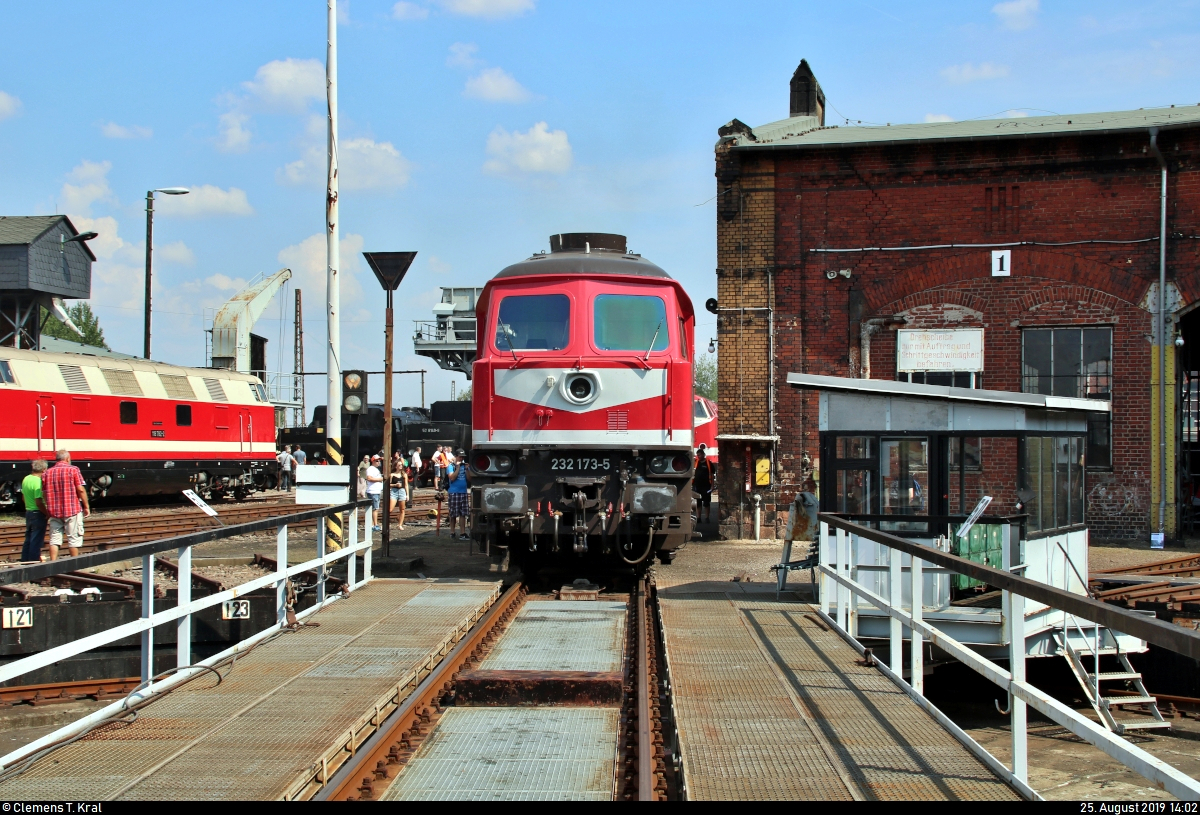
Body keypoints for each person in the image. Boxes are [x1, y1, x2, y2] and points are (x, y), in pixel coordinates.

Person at [42, 449, 89, 561]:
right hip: (72, 509)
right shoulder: (73, 470)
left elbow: (44, 493)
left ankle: (53, 563)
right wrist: (86, 506)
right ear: (67, 459)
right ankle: (74, 564)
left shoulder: (47, 473)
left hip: (54, 511)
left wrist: (48, 507)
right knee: (73, 538)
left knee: (54, 539)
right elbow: (80, 489)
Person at [20, 459, 49, 562]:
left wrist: (29, 506)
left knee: (28, 539)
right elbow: (39, 502)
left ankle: (25, 560)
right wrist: (47, 513)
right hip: (38, 513)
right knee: (36, 541)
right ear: (44, 469)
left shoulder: (26, 479)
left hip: (29, 512)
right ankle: (33, 562)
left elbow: (23, 497)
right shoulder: (38, 482)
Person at [446, 448, 470, 540]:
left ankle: (462, 533)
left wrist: (467, 469)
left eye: (463, 457)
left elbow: (469, 479)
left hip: (463, 492)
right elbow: (452, 478)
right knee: (453, 514)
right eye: (460, 457)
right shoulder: (451, 466)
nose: (461, 459)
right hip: (454, 492)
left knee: (463, 514)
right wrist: (458, 468)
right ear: (456, 457)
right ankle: (452, 532)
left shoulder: (465, 466)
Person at [693, 444, 715, 523]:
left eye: (699, 455)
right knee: (698, 503)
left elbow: (712, 475)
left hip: (706, 486)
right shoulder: (696, 463)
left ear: (703, 454)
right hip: (697, 486)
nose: (698, 456)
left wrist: (712, 486)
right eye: (697, 455)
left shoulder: (709, 463)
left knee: (706, 503)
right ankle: (698, 518)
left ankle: (707, 518)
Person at [389, 452, 409, 530]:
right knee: (390, 509)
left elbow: (406, 485)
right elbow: (388, 485)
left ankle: (400, 524)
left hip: (402, 491)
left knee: (402, 509)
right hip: (394, 491)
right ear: (396, 466)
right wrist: (395, 485)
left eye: (401, 465)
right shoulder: (392, 475)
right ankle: (386, 523)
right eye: (399, 465)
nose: (401, 466)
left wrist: (407, 495)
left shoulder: (404, 475)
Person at [365, 454, 384, 531]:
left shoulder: (376, 469)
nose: (378, 462)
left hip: (376, 491)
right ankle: (375, 525)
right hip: (373, 491)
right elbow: (369, 478)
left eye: (379, 461)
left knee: (375, 508)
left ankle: (373, 524)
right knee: (375, 509)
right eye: (377, 461)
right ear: (373, 461)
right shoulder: (370, 469)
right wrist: (380, 479)